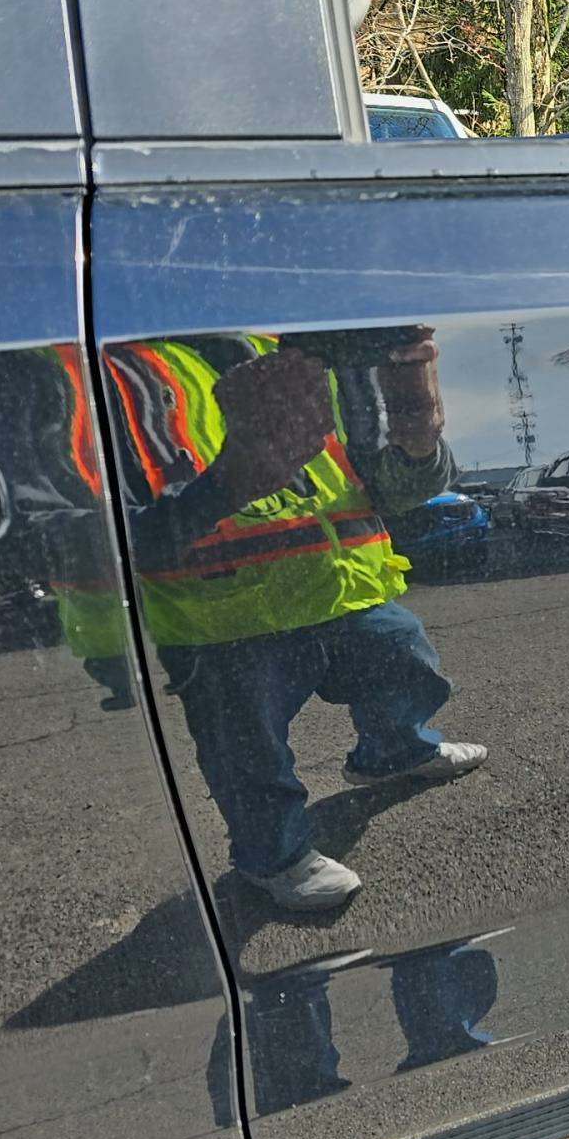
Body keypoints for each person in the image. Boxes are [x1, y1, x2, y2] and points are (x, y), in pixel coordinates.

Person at [106, 327, 486, 910]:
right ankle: (273, 858)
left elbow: (385, 486)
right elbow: (88, 541)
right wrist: (229, 483)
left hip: (341, 589)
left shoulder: (294, 345)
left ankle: (392, 753)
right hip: (223, 620)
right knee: (248, 755)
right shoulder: (94, 367)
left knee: (405, 660)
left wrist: (421, 441)